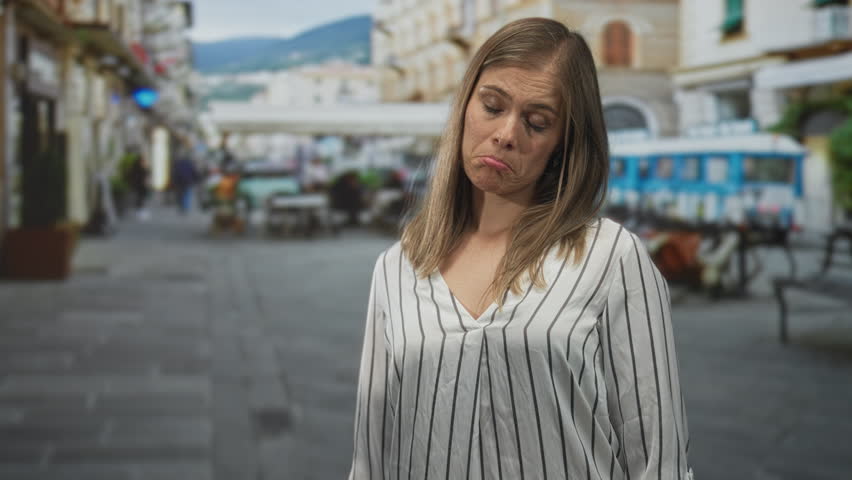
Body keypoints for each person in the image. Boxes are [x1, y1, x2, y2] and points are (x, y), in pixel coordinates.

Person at [348, 18, 693, 480]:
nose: (507, 133)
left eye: (537, 122)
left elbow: (659, 458)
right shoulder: (397, 268)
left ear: (561, 143)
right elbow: (371, 455)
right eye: (492, 106)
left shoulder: (613, 259)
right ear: (465, 106)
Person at [172, 144, 199, 214]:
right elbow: (194, 172)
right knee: (186, 194)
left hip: (180, 181)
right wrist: (196, 179)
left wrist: (174, 180)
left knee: (180, 194)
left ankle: (182, 206)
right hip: (188, 181)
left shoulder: (178, 163)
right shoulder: (189, 163)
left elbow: (175, 172)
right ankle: (185, 207)